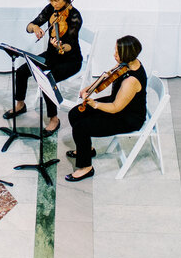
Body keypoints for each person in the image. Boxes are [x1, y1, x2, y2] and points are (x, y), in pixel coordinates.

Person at [63, 35, 147, 182]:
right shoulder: (126, 64)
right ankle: (87, 150)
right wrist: (89, 89)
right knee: (75, 114)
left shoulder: (131, 81)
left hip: (127, 117)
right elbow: (106, 77)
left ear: (127, 55)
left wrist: (95, 104)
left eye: (117, 53)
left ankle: (86, 167)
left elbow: (115, 108)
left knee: (81, 128)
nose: (114, 55)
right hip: (117, 103)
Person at [5, 0, 82, 135]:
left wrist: (60, 46)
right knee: (21, 71)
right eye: (51, 0)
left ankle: (54, 119)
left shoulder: (74, 16)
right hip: (51, 56)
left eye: (56, 0)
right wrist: (35, 28)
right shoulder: (51, 9)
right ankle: (20, 104)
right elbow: (30, 25)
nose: (54, 4)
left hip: (70, 60)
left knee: (47, 79)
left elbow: (70, 45)